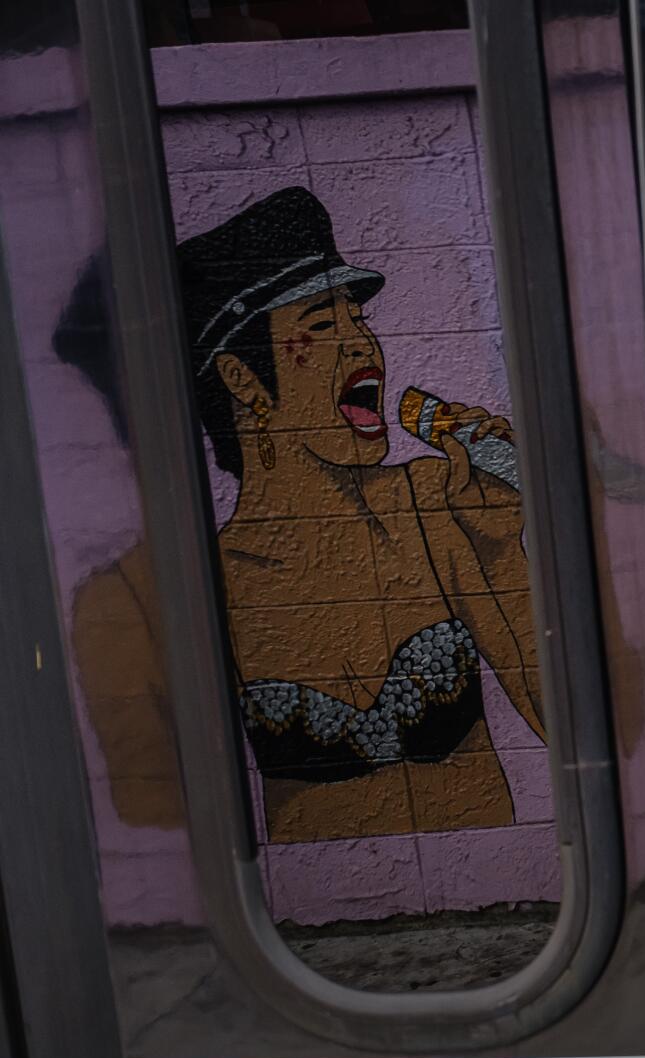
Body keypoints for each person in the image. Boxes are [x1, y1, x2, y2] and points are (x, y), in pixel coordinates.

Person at [70, 187, 544, 845]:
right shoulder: (201, 581)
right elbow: (152, 824)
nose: (363, 346)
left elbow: (563, 720)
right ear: (241, 377)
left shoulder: (436, 499)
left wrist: (500, 549)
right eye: (323, 325)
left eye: (359, 318)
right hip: (307, 939)